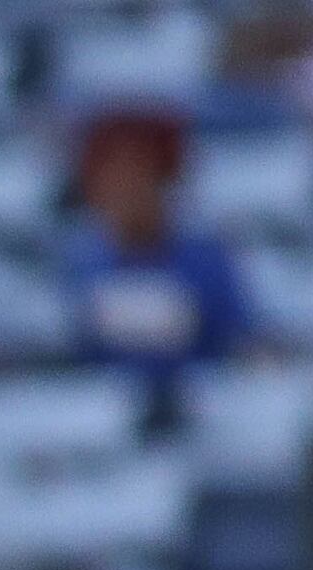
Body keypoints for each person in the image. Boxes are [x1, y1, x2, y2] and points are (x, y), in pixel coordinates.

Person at [59, 108, 263, 381]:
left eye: (137, 178)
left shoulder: (208, 264)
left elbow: (237, 342)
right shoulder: (76, 264)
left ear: (166, 182)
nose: (125, 193)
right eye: (111, 181)